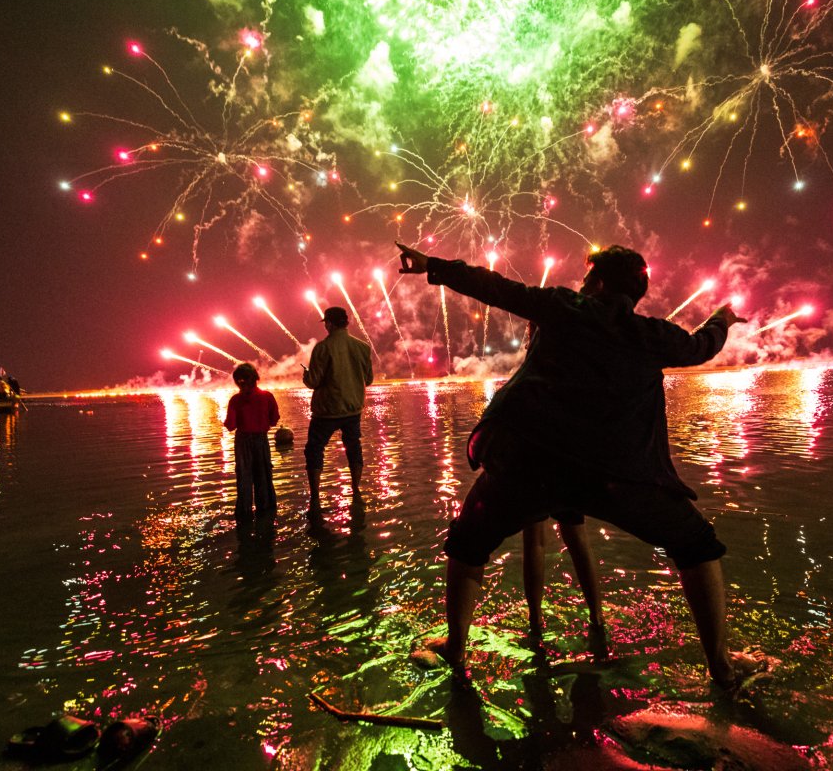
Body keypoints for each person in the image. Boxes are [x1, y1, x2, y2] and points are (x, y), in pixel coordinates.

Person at [397, 240, 756, 689]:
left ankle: (455, 647)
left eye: (588, 278)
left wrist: (435, 266)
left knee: (468, 543)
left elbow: (497, 288)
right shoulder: (652, 336)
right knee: (698, 546)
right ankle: (721, 668)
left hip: (529, 466)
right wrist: (721, 318)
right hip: (617, 477)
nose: (582, 284)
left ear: (599, 283)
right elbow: (702, 345)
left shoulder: (563, 307)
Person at [303, 306, 374, 518]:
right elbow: (368, 380)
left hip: (326, 411)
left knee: (314, 449)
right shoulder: (362, 347)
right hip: (352, 409)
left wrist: (306, 376)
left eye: (326, 322)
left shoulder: (322, 348)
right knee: (354, 447)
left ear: (330, 324)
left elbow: (314, 381)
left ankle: (315, 496)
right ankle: (356, 489)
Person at [223, 362, 280, 524]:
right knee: (263, 475)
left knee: (244, 477)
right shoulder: (267, 397)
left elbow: (231, 425)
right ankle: (267, 511)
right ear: (256, 378)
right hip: (261, 440)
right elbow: (274, 420)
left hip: (242, 442)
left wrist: (225, 422)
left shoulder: (235, 400)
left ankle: (244, 513)